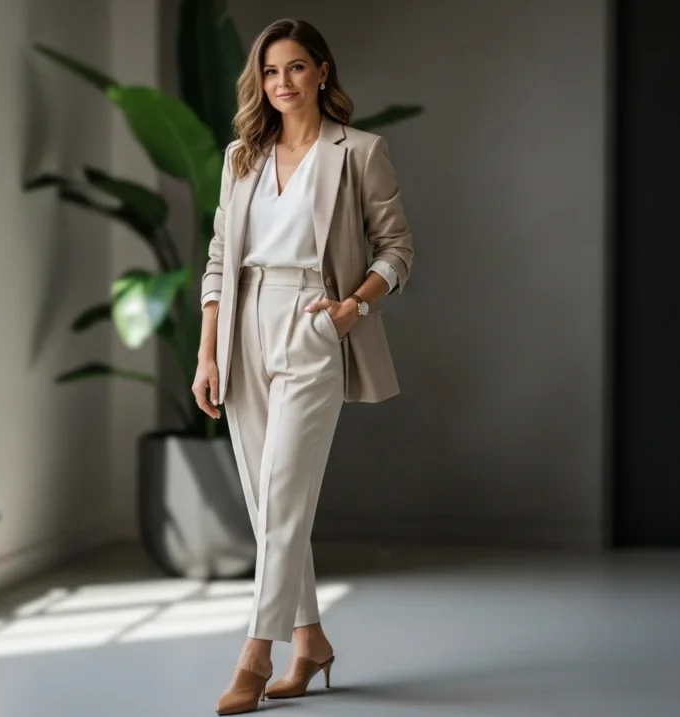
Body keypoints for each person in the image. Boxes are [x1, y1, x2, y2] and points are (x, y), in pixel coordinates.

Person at [193, 17, 414, 716]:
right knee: (268, 507)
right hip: (242, 325)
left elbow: (398, 250)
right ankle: (310, 637)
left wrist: (353, 308)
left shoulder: (359, 152)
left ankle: (255, 655)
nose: (281, 82)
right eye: (269, 71)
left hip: (314, 324)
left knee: (285, 494)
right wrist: (207, 351)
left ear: (322, 71)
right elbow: (221, 259)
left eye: (295, 68)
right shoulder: (241, 157)